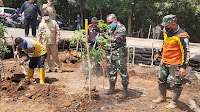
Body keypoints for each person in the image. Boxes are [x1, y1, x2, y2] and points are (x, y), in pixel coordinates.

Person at [153, 15, 190, 109]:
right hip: (164, 60)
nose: (165, 27)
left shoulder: (182, 35)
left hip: (175, 63)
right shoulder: (166, 31)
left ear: (173, 24)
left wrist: (183, 67)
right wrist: (158, 53)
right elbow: (164, 43)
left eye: (167, 25)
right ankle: (162, 97)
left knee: (176, 83)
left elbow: (186, 52)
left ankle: (173, 102)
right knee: (161, 79)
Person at [105, 14, 129, 99]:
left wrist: (105, 38)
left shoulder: (121, 28)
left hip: (120, 54)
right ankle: (112, 89)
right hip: (112, 53)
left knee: (123, 72)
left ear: (115, 19)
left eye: (111, 22)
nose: (110, 24)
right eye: (108, 23)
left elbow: (117, 39)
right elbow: (108, 36)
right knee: (111, 71)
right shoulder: (112, 28)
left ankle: (125, 91)